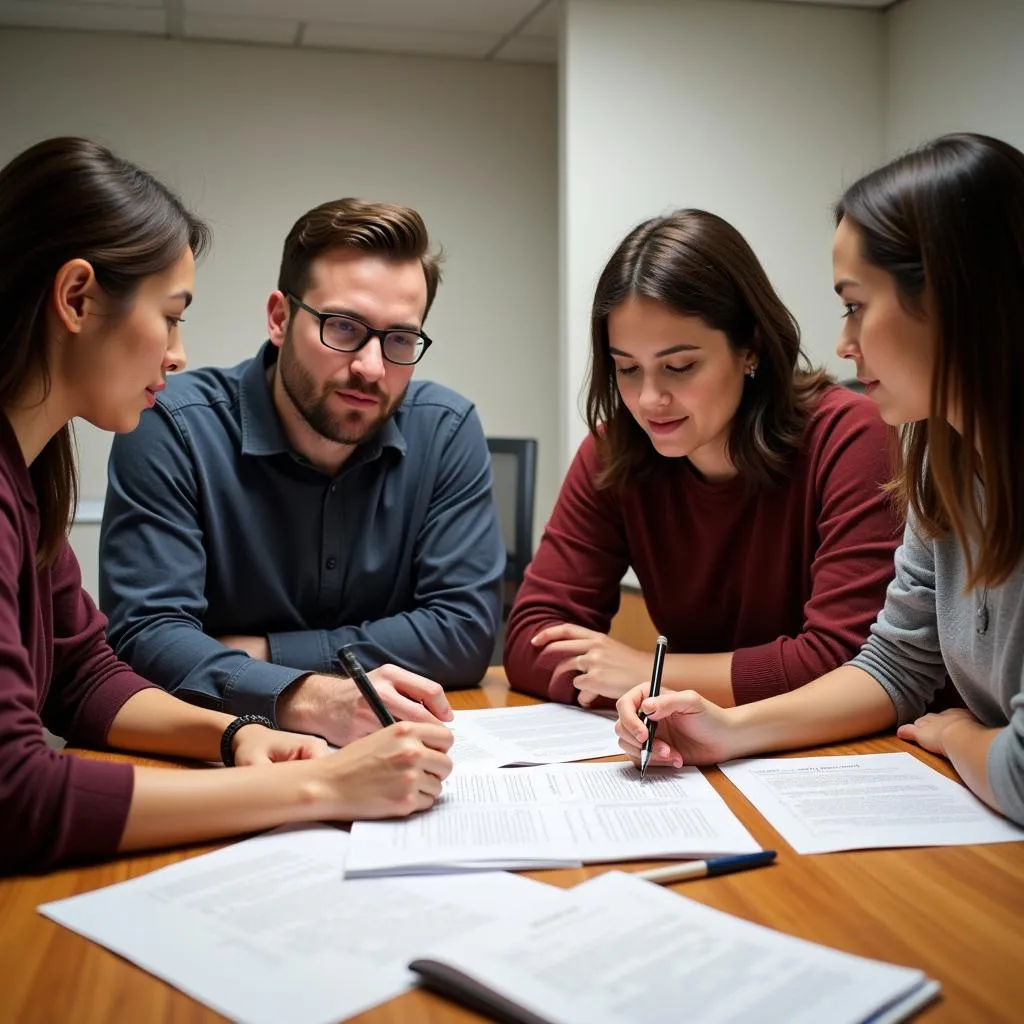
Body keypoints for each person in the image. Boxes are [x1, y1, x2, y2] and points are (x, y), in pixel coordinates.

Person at [0, 137, 453, 876]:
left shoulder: (29, 470)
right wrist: (312, 786)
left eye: (398, 340)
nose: (178, 354)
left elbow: (81, 673)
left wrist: (235, 735)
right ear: (77, 298)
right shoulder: (152, 431)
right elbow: (15, 795)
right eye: (171, 315)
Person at [616, 133, 1024, 827]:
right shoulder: (935, 453)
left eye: (856, 303)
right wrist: (731, 731)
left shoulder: (871, 435)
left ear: (955, 298)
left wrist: (957, 732)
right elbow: (896, 664)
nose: (843, 342)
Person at [98, 196, 504, 747]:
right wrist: (310, 695)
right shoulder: (170, 424)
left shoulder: (447, 429)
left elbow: (465, 632)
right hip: (229, 751)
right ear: (280, 318)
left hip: (404, 749)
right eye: (343, 327)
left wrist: (264, 653)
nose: (370, 367)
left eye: (401, 340)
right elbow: (145, 638)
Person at [505, 209, 901, 707]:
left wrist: (649, 673)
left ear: (749, 347)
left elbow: (849, 663)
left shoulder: (851, 437)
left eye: (679, 366)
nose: (650, 399)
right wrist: (654, 687)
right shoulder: (615, 451)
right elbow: (529, 642)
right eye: (627, 369)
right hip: (697, 754)